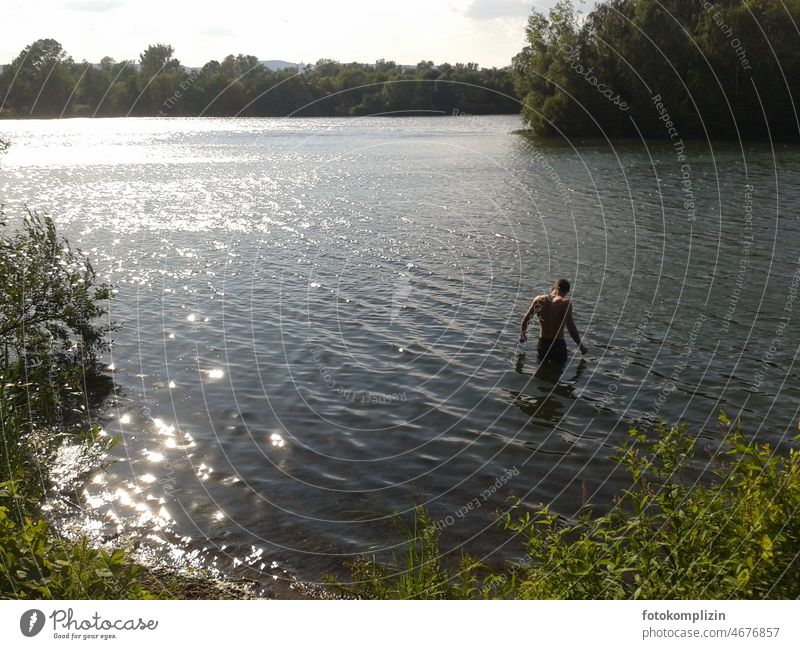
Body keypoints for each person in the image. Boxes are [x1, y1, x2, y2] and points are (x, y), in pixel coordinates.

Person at [519, 278, 587, 362]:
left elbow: (526, 319)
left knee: (541, 372)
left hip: (542, 344)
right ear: (566, 291)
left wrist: (522, 335)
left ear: (553, 288)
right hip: (558, 344)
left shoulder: (539, 300)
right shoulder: (565, 303)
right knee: (558, 373)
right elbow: (571, 327)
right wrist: (581, 347)